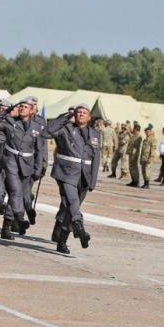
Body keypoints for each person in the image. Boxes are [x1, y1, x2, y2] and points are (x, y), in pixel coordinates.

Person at [42, 103, 100, 254]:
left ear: (89, 117)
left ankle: (62, 240)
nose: (80, 114)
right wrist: (67, 116)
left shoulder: (94, 134)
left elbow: (96, 158)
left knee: (71, 208)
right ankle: (79, 226)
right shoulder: (65, 128)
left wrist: (92, 181)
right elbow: (46, 132)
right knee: (72, 202)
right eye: (78, 112)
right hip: (66, 173)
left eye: (83, 113)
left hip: (84, 176)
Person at [0, 98, 43, 240]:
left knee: (17, 195)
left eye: (26, 107)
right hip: (10, 161)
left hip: (27, 164)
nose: (22, 108)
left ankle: (6, 226)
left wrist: (39, 167)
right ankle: (19, 217)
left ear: (31, 110)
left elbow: (39, 150)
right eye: (21, 106)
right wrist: (6, 111)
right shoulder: (10, 122)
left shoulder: (37, 127)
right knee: (15, 190)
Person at [140, 124, 157, 188]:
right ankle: (145, 183)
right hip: (144, 158)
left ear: (150, 131)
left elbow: (153, 149)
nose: (146, 133)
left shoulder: (153, 139)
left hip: (148, 158)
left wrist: (151, 157)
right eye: (145, 132)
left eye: (147, 132)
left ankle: (147, 184)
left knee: (147, 170)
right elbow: (143, 150)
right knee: (143, 171)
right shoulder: (145, 139)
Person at [126, 123, 142, 187]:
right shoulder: (134, 136)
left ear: (136, 129)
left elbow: (136, 146)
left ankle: (136, 181)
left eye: (134, 129)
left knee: (134, 168)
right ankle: (133, 180)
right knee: (131, 168)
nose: (133, 130)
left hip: (134, 155)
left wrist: (133, 154)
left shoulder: (138, 137)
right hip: (131, 154)